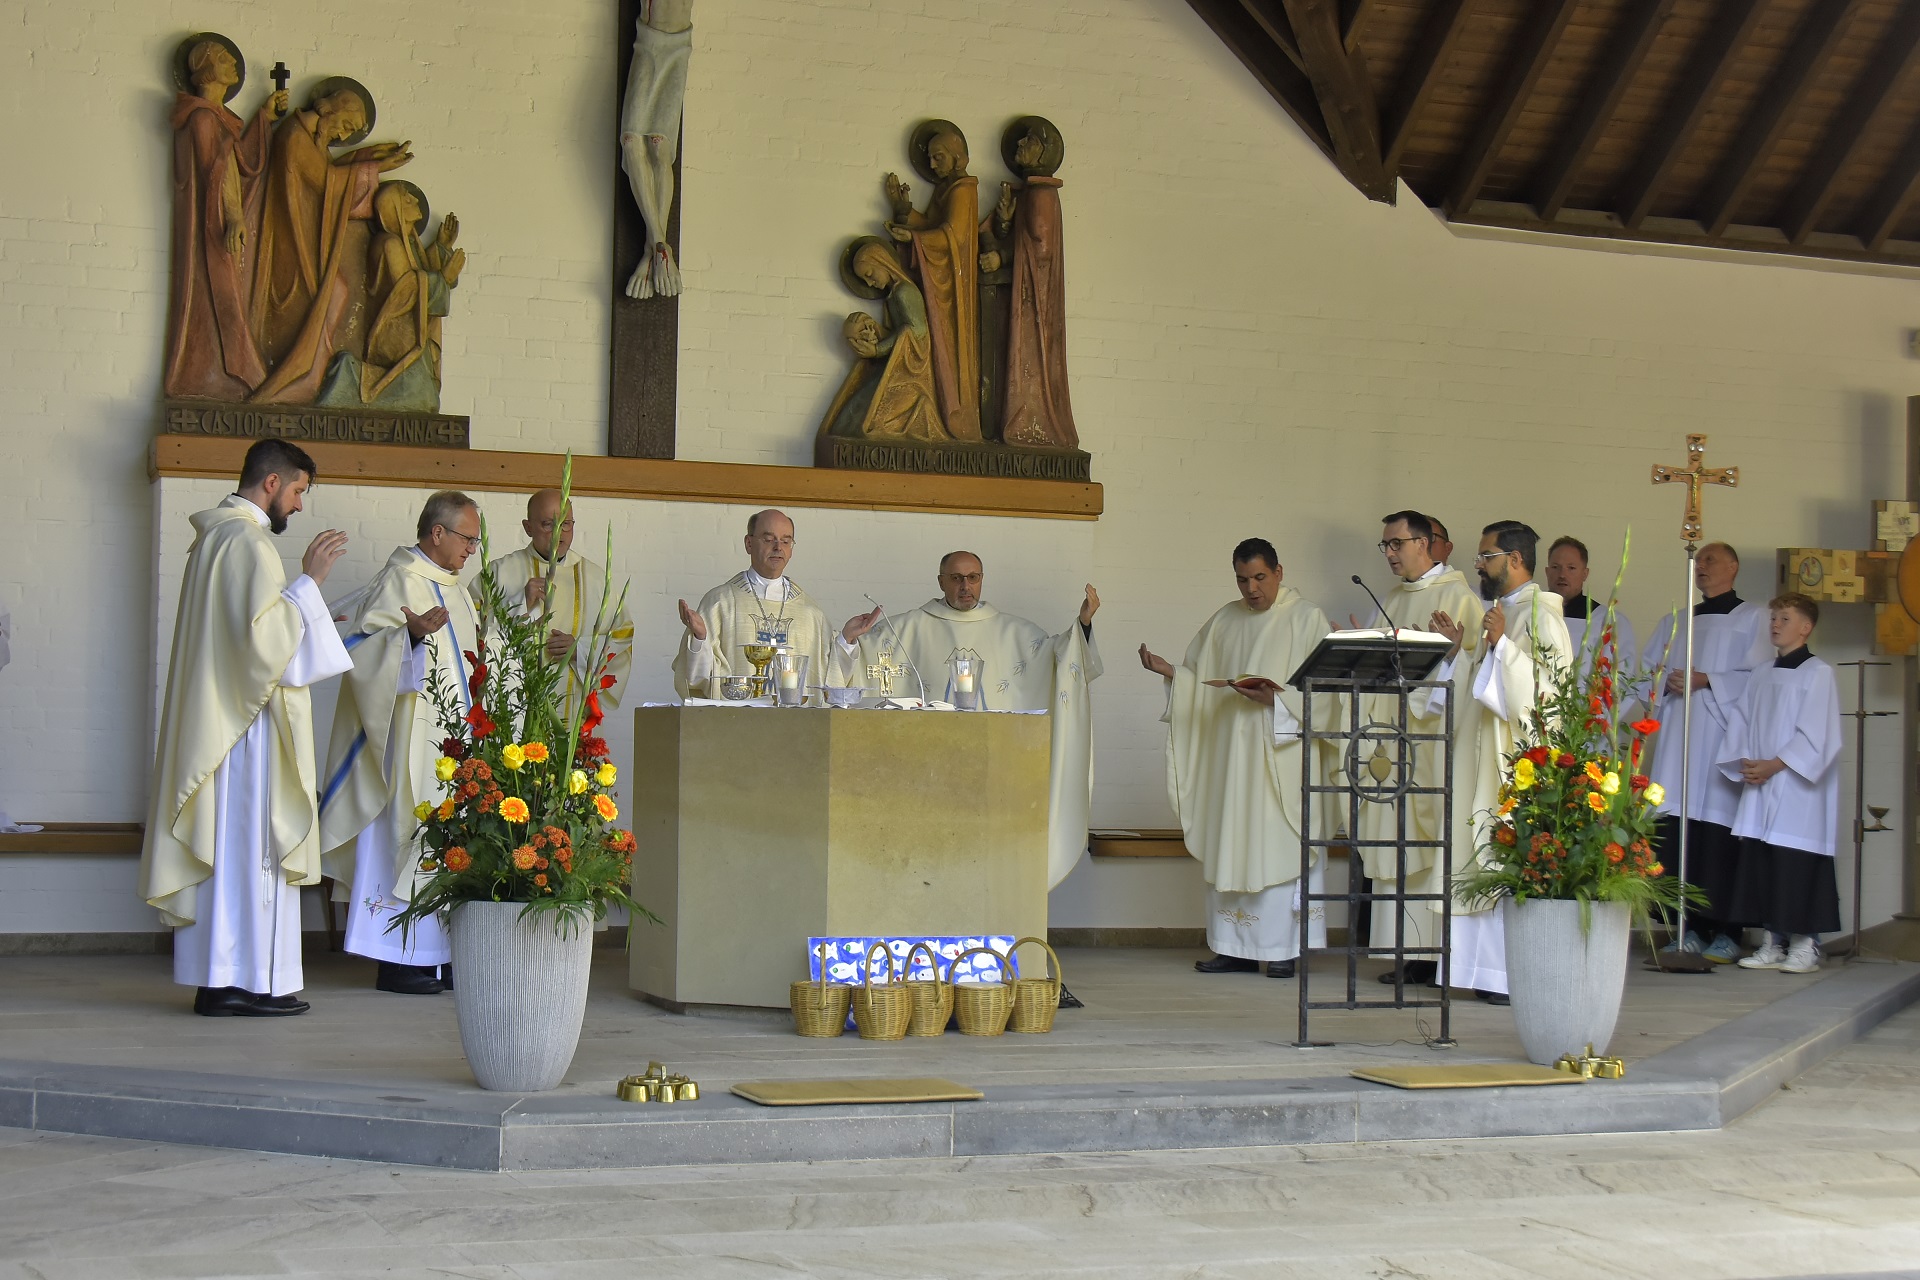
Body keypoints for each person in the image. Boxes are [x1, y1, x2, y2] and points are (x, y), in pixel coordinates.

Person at [139, 440, 350, 1016]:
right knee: (252, 850)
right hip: (246, 735)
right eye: (300, 491)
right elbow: (260, 648)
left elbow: (246, 634)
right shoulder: (247, 542)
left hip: (226, 724)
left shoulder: (216, 538)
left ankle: (223, 980)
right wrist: (308, 584)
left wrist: (306, 615)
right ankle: (244, 983)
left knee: (233, 852)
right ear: (274, 483)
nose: (301, 506)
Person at [839, 552, 1102, 888]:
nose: (966, 586)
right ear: (941, 582)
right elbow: (856, 661)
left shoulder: (1015, 633)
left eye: (973, 577)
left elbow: (1062, 659)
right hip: (925, 773)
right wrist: (848, 641)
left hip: (992, 775)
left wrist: (1083, 625)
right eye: (956, 578)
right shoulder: (903, 629)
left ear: (982, 580)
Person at [1140, 539, 1335, 979]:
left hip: (1281, 758)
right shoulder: (1225, 619)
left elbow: (1328, 693)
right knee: (1233, 839)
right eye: (1242, 579)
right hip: (1232, 759)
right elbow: (1199, 675)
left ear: (1279, 572)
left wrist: (1279, 701)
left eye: (1260, 578)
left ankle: (1285, 948)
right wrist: (1173, 674)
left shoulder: (1308, 620)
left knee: (1279, 842)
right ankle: (1234, 947)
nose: (1251, 589)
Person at [319, 491, 484, 994]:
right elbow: (359, 654)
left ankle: (439, 956)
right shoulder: (399, 580)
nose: (472, 549)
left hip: (453, 744)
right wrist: (406, 640)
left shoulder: (457, 589)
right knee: (405, 835)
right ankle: (398, 956)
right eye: (467, 538)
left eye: (476, 540)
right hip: (408, 745)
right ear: (437, 533)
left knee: (451, 840)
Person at [1430, 520, 1571, 1006]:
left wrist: (1502, 647)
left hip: (1513, 766)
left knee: (1500, 855)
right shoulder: (1501, 612)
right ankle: (1478, 970)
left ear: (1514, 559)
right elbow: (1478, 684)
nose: (1479, 565)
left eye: (1486, 556)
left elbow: (1550, 695)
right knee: (1475, 856)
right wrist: (1460, 649)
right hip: (1480, 758)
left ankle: (1505, 975)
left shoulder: (1541, 615)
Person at [1353, 511, 1486, 988]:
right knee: (1395, 844)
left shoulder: (1460, 598)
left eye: (1396, 543)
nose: (1388, 552)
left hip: (1432, 747)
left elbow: (1475, 673)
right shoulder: (1389, 598)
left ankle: (1434, 954)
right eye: (1384, 545)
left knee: (1429, 847)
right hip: (1391, 741)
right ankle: (1407, 951)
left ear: (1425, 544)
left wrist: (1454, 654)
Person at [1639, 542, 1773, 963]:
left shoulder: (1753, 618)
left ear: (1733, 566)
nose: (1702, 568)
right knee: (1680, 833)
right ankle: (1689, 927)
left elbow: (1763, 679)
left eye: (1711, 560)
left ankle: (1729, 930)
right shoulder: (1676, 622)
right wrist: (1667, 683)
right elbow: (1646, 675)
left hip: (1720, 743)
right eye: (1699, 562)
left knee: (1719, 836)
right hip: (1679, 741)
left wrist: (1707, 680)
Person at [1724, 594, 1842, 974]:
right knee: (1766, 862)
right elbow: (1741, 721)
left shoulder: (1817, 672)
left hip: (1796, 789)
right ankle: (1772, 942)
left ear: (1805, 628)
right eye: (1774, 617)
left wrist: (1775, 765)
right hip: (1762, 780)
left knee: (1796, 862)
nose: (1775, 623)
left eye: (1785, 618)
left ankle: (1805, 945)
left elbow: (1818, 735)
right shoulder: (1761, 673)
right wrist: (1747, 761)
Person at [163, 38, 284, 399]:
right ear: (206, 67)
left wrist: (264, 118)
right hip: (213, 229)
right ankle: (232, 374)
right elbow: (215, 173)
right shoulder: (201, 118)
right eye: (226, 59)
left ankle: (234, 372)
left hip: (224, 226)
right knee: (221, 297)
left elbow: (240, 160)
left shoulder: (219, 119)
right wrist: (233, 218)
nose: (235, 65)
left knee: (230, 296)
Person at [479, 489, 634, 721]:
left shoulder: (595, 579)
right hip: (512, 715)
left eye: (567, 524)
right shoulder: (499, 573)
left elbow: (623, 636)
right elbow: (472, 631)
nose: (559, 534)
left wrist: (579, 650)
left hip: (576, 712)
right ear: (527, 527)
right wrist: (520, 604)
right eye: (548, 524)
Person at [673, 509, 854, 700]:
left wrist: (847, 641)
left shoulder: (810, 612)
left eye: (786, 541)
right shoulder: (720, 603)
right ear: (749, 543)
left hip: (796, 725)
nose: (778, 547)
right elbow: (698, 679)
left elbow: (829, 676)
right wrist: (700, 639)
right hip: (736, 724)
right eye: (769, 539)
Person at [1545, 536, 1639, 685]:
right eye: (1556, 567)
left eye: (1571, 568)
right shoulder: (1529, 615)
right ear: (1547, 572)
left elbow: (1622, 679)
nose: (1562, 574)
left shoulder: (1608, 621)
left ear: (1585, 573)